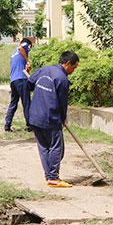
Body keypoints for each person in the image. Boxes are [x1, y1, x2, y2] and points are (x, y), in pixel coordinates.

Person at [27, 50, 79, 188]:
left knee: (44, 147)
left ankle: (48, 176)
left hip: (35, 116)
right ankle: (53, 177)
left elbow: (29, 84)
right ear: (68, 63)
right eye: (74, 67)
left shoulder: (44, 69)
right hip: (50, 117)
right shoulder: (62, 79)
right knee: (57, 148)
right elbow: (63, 102)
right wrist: (62, 118)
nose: (73, 71)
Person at [4, 38, 32, 132]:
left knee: (13, 103)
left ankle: (7, 125)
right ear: (29, 46)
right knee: (27, 103)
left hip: (13, 81)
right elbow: (21, 48)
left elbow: (22, 68)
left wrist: (28, 68)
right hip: (21, 80)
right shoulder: (24, 46)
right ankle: (30, 126)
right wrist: (28, 60)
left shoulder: (14, 53)